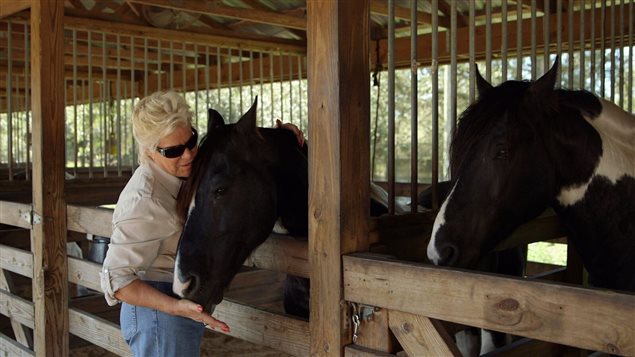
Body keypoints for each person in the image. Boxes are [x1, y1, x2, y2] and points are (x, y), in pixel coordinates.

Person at [100, 90, 303, 356]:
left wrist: (283, 139)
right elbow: (117, 281)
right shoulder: (144, 199)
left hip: (178, 302)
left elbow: (235, 148)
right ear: (150, 151)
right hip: (158, 311)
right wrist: (175, 309)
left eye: (191, 141)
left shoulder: (188, 168)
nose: (187, 156)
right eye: (173, 151)